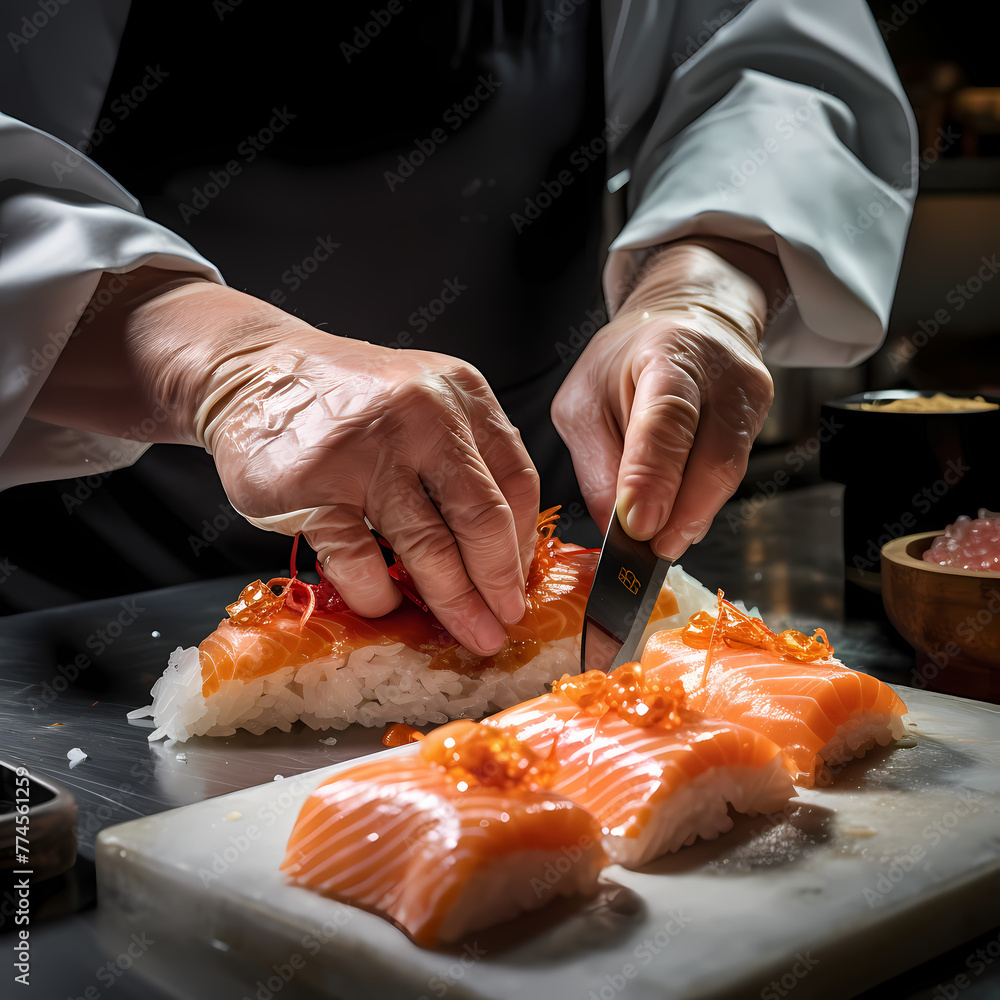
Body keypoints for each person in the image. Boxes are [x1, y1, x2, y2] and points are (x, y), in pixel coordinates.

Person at [0, 1, 916, 643]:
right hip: (84, 592)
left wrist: (702, 290)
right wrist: (229, 366)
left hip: (535, 548)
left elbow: (775, 69)